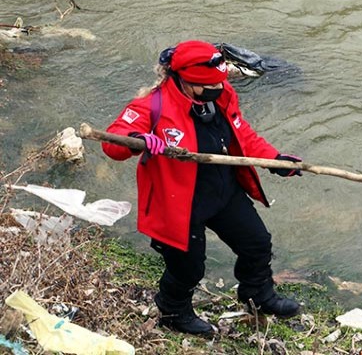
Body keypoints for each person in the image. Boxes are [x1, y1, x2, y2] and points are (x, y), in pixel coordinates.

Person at [102, 40, 303, 335]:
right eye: (211, 84)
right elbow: (112, 142)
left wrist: (273, 159)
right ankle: (173, 312)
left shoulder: (221, 95)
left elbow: (241, 131)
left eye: (221, 81)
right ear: (187, 81)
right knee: (188, 268)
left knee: (257, 242)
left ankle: (257, 294)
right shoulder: (152, 105)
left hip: (223, 190)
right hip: (178, 202)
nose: (220, 87)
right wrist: (138, 139)